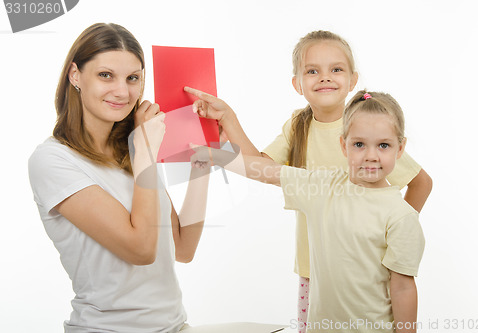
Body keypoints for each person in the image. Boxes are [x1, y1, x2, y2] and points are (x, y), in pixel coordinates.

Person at [184, 30, 432, 331]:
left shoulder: (371, 127)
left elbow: (420, 184)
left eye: (336, 69)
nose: (325, 78)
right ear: (297, 84)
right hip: (316, 263)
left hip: (368, 267)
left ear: (352, 80)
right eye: (313, 70)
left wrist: (386, 237)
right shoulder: (300, 131)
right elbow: (264, 169)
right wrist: (227, 125)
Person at [28, 23, 211, 333]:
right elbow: (140, 250)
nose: (122, 92)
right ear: (75, 75)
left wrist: (202, 164)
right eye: (105, 75)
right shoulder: (53, 161)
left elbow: (183, 248)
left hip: (175, 327)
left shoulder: (134, 153)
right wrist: (146, 152)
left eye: (133, 78)